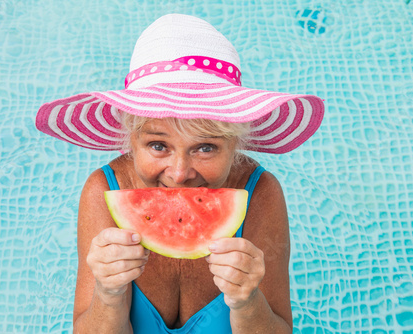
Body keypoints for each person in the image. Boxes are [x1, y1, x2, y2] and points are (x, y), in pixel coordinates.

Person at [36, 13, 324, 334]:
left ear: (236, 144)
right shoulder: (103, 190)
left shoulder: (260, 193)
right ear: (131, 139)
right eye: (159, 145)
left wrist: (248, 301)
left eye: (205, 148)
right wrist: (109, 293)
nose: (179, 173)